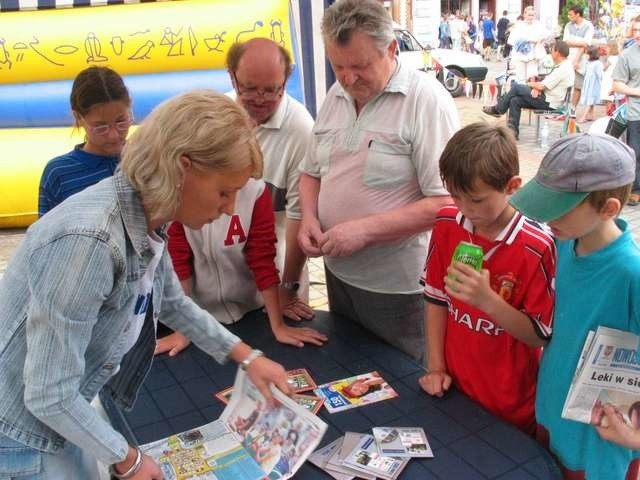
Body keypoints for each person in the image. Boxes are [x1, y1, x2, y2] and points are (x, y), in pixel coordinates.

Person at [0, 90, 292, 479]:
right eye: (224, 191)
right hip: (24, 440)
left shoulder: (149, 211)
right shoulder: (90, 243)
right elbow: (48, 393)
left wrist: (248, 358)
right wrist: (129, 459)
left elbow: (170, 300)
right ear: (182, 168)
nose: (228, 208)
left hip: (66, 412)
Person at [298, 0, 459, 361]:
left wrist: (366, 230)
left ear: (391, 49)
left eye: (360, 66)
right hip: (338, 274)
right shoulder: (336, 95)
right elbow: (311, 173)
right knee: (349, 373)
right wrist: (309, 217)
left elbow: (448, 202)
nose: (348, 78)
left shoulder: (426, 101)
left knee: (403, 385)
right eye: (337, 66)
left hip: (399, 289)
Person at [154, 38, 326, 356]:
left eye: (271, 90)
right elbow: (178, 254)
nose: (260, 99)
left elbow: (283, 232)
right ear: (232, 77)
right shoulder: (212, 123)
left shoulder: (300, 131)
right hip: (201, 308)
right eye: (250, 88)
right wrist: (185, 324)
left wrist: (287, 292)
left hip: (265, 291)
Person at [509, 133, 640, 479]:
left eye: (559, 210)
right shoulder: (563, 244)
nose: (547, 219)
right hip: (553, 412)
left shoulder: (632, 273)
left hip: (600, 441)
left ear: (608, 208)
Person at [418, 123, 555, 434]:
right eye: (455, 196)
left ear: (512, 186)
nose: (466, 209)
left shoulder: (537, 247)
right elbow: (436, 298)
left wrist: (487, 301)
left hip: (511, 403)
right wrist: (436, 367)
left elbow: (540, 334)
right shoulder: (447, 223)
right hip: (455, 389)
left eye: (477, 200)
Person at [38, 66, 132, 216]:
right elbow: (45, 236)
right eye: (100, 126)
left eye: (121, 122)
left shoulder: (145, 159)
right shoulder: (60, 174)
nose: (113, 135)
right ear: (78, 118)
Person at [482, 40, 574, 140]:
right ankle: (512, 132)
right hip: (548, 97)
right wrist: (536, 87)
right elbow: (544, 85)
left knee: (516, 87)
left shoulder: (562, 69)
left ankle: (498, 109)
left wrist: (531, 85)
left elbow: (542, 86)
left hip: (550, 102)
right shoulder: (565, 65)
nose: (551, 52)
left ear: (557, 52)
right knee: (515, 100)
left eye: (552, 50)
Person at [613, 15, 640, 206]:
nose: (637, 34)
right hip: (635, 111)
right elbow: (617, 85)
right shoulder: (627, 55)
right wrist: (636, 91)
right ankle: (636, 189)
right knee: (636, 152)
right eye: (635, 30)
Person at [563, 6, 594, 112]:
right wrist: (580, 42)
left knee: (577, 85)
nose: (569, 17)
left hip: (581, 60)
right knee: (565, 84)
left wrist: (575, 44)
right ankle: (562, 107)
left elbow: (586, 44)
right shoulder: (568, 26)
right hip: (568, 57)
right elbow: (566, 42)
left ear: (578, 14)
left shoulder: (588, 26)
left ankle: (572, 109)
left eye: (571, 14)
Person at [507, 6, 549, 83]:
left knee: (532, 76)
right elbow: (511, 40)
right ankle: (521, 93)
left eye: (532, 15)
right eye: (529, 15)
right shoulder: (519, 25)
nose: (531, 17)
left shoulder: (538, 25)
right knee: (520, 78)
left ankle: (529, 94)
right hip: (520, 54)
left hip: (533, 55)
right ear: (524, 15)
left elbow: (546, 35)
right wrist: (522, 42)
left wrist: (538, 40)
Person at [578, 45, 603, 123]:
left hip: (594, 84)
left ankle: (584, 116)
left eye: (587, 54)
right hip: (587, 83)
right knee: (590, 99)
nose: (585, 55)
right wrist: (577, 68)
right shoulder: (587, 62)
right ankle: (591, 115)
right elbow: (584, 72)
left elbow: (600, 75)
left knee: (591, 99)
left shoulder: (598, 63)